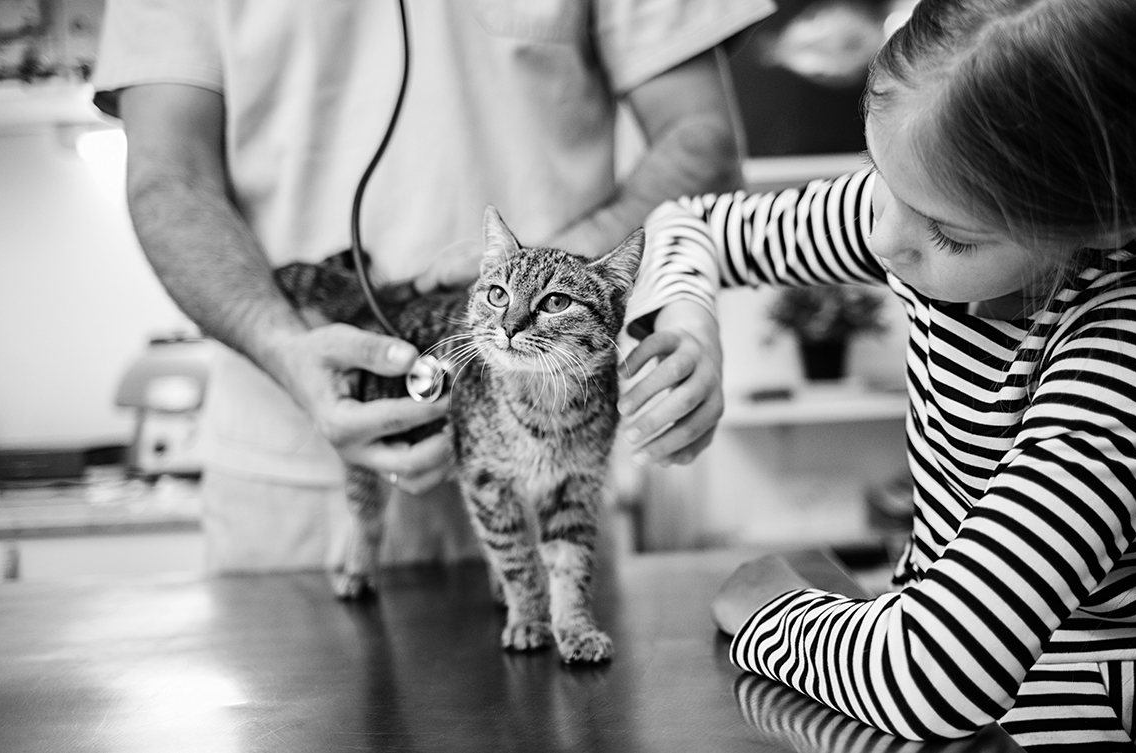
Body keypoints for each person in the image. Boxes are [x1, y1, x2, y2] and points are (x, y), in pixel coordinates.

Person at [618, 0, 1136, 749]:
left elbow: (934, 671)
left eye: (949, 235)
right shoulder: (924, 205)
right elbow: (686, 223)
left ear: (1117, 224)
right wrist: (689, 320)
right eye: (878, 173)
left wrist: (772, 611)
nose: (883, 239)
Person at [90, 0, 773, 573]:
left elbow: (699, 140)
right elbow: (168, 175)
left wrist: (554, 282)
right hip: (291, 482)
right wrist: (283, 348)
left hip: (549, 471)